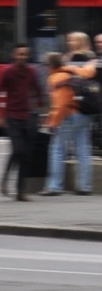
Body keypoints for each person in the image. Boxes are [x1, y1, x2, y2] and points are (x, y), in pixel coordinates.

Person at [0, 43, 44, 201]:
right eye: (19, 54)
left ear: (28, 56)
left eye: (25, 54)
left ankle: (20, 191)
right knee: (18, 150)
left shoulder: (31, 72)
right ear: (14, 55)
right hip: (12, 116)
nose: (22, 57)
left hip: (28, 117)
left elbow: (39, 91)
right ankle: (5, 180)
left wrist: (41, 111)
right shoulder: (7, 72)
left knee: (26, 155)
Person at [42, 50, 95, 195]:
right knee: (83, 150)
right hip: (84, 114)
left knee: (57, 149)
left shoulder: (56, 78)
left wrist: (52, 123)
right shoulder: (75, 71)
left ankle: (54, 186)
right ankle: (85, 186)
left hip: (69, 116)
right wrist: (92, 62)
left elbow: (60, 104)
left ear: (50, 66)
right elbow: (90, 72)